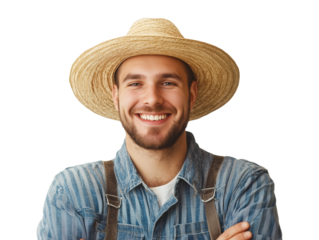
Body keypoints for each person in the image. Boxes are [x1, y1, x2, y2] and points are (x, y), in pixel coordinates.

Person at [36, 16, 282, 239]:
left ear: (191, 93)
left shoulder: (244, 183)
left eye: (167, 82)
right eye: (135, 83)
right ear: (116, 95)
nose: (152, 99)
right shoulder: (74, 190)